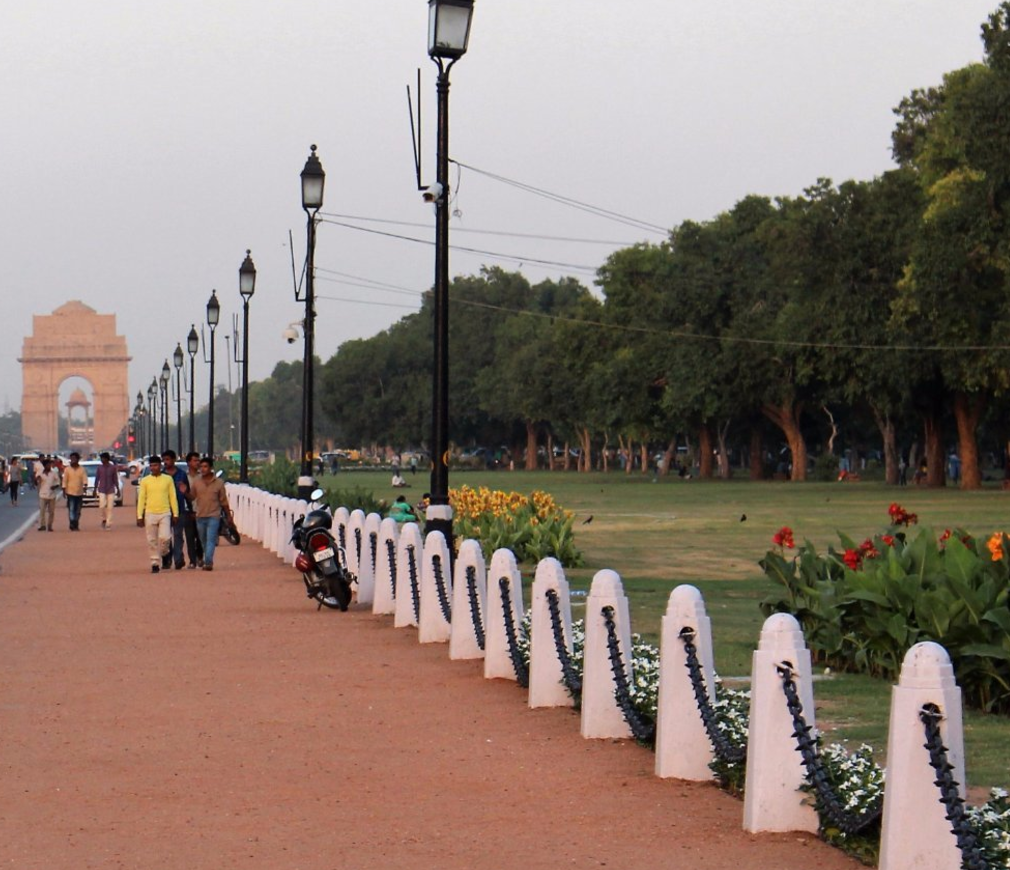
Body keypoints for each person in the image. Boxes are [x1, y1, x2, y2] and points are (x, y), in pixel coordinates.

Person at [136, 455, 179, 574]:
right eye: (151, 465)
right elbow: (141, 499)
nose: (153, 468)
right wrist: (140, 516)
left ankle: (165, 553)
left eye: (155, 465)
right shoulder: (145, 481)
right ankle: (154, 563)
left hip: (165, 512)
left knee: (165, 538)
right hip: (150, 513)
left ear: (160, 466)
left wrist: (176, 513)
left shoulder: (168, 479)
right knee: (151, 540)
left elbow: (173, 497)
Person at [190, 456, 232, 572]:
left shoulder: (219, 483)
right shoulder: (196, 482)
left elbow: (223, 501)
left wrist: (229, 516)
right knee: (203, 539)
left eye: (205, 467)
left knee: (211, 539)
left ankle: (208, 561)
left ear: (211, 468)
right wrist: (185, 492)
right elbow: (192, 496)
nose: (203, 469)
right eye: (201, 467)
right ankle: (206, 558)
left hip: (214, 515)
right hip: (200, 515)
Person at [161, 450, 190, 569]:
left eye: (168, 459)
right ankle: (166, 559)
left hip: (180, 508)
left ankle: (178, 559)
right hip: (164, 510)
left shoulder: (182, 475)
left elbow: (186, 491)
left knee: (178, 535)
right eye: (164, 460)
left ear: (173, 460)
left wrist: (191, 509)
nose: (165, 462)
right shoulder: (161, 476)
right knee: (165, 537)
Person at [183, 451, 204, 568]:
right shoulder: (184, 477)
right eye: (195, 460)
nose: (197, 463)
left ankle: (200, 556)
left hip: (201, 510)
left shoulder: (203, 477)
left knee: (201, 536)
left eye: (198, 460)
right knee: (190, 537)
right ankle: (192, 561)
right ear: (189, 463)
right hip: (187, 511)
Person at [94, 451, 121, 529]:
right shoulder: (99, 468)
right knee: (102, 506)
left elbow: (115, 479)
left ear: (107, 459)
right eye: (101, 458)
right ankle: (104, 519)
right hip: (102, 489)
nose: (102, 460)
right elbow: (97, 479)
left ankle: (109, 523)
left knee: (110, 507)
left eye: (104, 458)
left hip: (110, 489)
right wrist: (95, 489)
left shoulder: (112, 468)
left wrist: (118, 489)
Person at [62, 451, 88, 531]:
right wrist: (64, 490)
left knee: (78, 510)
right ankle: (72, 523)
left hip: (79, 492)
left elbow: (85, 479)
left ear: (77, 460)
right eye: (71, 458)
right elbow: (64, 480)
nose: (72, 460)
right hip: (70, 492)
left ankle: (76, 522)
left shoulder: (82, 469)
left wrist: (85, 486)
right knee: (72, 508)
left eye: (74, 458)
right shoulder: (67, 470)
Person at [35, 457, 61, 532]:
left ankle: (49, 525)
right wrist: (37, 479)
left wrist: (55, 486)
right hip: (42, 494)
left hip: (51, 495)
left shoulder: (53, 473)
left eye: (50, 465)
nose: (49, 466)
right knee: (42, 511)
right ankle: (42, 525)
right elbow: (36, 482)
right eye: (47, 465)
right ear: (44, 465)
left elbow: (58, 482)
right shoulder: (40, 473)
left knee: (51, 512)